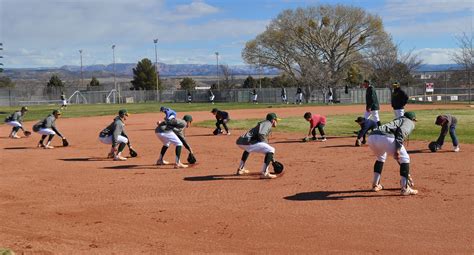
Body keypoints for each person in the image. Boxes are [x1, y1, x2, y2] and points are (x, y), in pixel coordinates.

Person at [367, 112, 418, 196]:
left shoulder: (398, 120)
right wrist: (397, 150)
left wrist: (406, 173)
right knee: (405, 158)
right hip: (385, 137)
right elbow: (401, 132)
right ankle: (405, 189)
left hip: (372, 137)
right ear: (412, 119)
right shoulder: (409, 121)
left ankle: (375, 185)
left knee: (380, 158)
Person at [236, 113, 281, 179]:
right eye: (276, 120)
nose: (277, 122)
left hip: (241, 141)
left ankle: (241, 168)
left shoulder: (265, 123)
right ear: (273, 120)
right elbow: (261, 134)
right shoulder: (268, 123)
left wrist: (272, 158)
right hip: (247, 141)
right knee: (271, 150)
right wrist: (271, 156)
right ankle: (265, 173)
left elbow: (260, 138)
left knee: (248, 149)